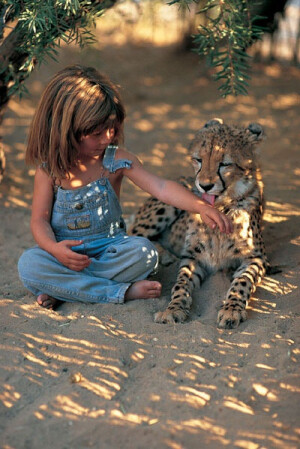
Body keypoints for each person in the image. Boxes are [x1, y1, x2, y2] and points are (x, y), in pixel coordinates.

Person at [18, 65, 232, 310]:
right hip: (64, 257)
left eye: (112, 128)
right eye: (97, 133)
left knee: (146, 254)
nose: (108, 137)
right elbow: (39, 221)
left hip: (110, 251)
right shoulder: (49, 172)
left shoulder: (116, 160)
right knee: (29, 264)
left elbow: (160, 187)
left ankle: (68, 289)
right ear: (65, 132)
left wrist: (200, 206)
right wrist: (54, 249)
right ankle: (119, 291)